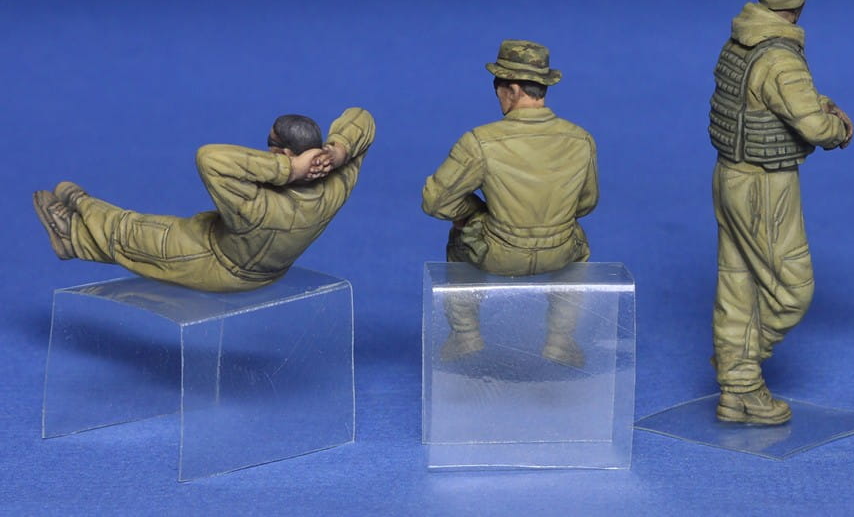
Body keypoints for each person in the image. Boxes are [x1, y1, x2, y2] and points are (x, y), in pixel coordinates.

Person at [707, 0, 853, 424]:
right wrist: (838, 128)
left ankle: (735, 389)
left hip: (730, 175)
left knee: (738, 285)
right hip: (765, 185)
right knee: (792, 288)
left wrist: (817, 102)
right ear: (800, 0)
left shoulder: (741, 41)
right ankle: (741, 371)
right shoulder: (779, 57)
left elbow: (766, 102)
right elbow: (813, 127)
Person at [33, 107, 375, 293]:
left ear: (285, 153)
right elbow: (363, 118)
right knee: (138, 238)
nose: (265, 150)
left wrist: (289, 170)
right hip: (269, 269)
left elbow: (210, 158)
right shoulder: (335, 188)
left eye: (271, 145)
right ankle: (76, 235)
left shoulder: (260, 207)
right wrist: (338, 152)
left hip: (218, 261)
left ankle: (76, 223)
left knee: (135, 233)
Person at [422, 40, 598, 365]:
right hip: (559, 251)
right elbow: (586, 204)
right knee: (580, 250)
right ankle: (560, 342)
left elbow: (436, 202)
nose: (497, 95)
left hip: (497, 254)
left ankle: (465, 337)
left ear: (513, 90)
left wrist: (475, 212)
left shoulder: (479, 141)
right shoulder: (581, 139)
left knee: (459, 241)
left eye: (498, 87)